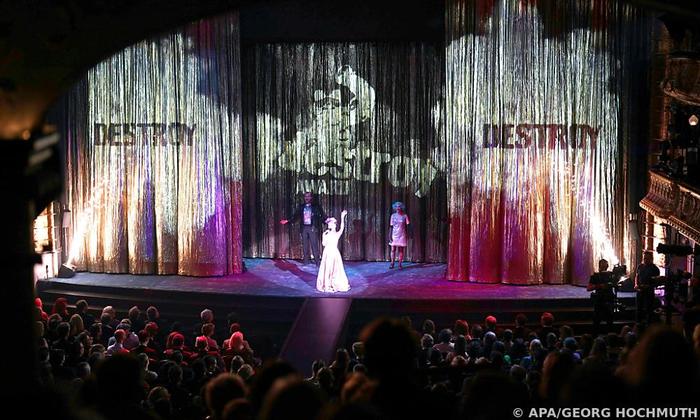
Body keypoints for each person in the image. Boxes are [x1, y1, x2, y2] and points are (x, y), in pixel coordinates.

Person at [280, 191, 326, 266]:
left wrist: (327, 220)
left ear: (311, 197)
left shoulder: (315, 206)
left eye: (308, 196)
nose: (307, 198)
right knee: (305, 245)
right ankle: (306, 261)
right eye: (305, 196)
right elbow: (295, 216)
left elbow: (321, 215)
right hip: (304, 228)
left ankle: (317, 261)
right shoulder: (301, 206)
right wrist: (287, 221)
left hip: (312, 228)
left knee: (314, 245)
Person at [316, 210, 350, 292]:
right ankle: (327, 286)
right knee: (327, 269)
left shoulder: (337, 234)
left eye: (332, 223)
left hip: (334, 253)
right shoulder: (326, 234)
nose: (330, 225)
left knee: (335, 269)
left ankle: (333, 283)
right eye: (329, 224)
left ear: (335, 225)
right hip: (327, 253)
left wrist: (342, 217)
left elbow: (342, 227)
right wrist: (324, 235)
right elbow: (324, 244)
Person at [587, 259, 615, 334]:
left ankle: (609, 337)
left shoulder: (611, 275)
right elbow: (589, 288)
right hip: (599, 300)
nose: (604, 267)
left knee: (609, 321)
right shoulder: (596, 276)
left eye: (605, 265)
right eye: (602, 265)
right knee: (597, 320)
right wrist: (599, 286)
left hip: (609, 299)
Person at [635, 251, 660, 324]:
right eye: (644, 258)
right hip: (640, 290)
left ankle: (648, 324)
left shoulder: (655, 269)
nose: (645, 260)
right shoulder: (640, 266)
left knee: (648, 309)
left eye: (647, 258)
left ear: (651, 259)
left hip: (649, 292)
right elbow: (637, 276)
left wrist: (648, 286)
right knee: (639, 308)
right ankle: (638, 322)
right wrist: (636, 284)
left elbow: (656, 282)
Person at [388, 201, 410, 269]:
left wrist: (409, 234)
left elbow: (408, 226)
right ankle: (392, 263)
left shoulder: (405, 216)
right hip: (394, 234)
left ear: (401, 208)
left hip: (402, 234)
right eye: (396, 206)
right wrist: (389, 235)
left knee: (401, 250)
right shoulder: (393, 216)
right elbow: (391, 226)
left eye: (399, 206)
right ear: (394, 208)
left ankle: (400, 264)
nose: (398, 208)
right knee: (393, 249)